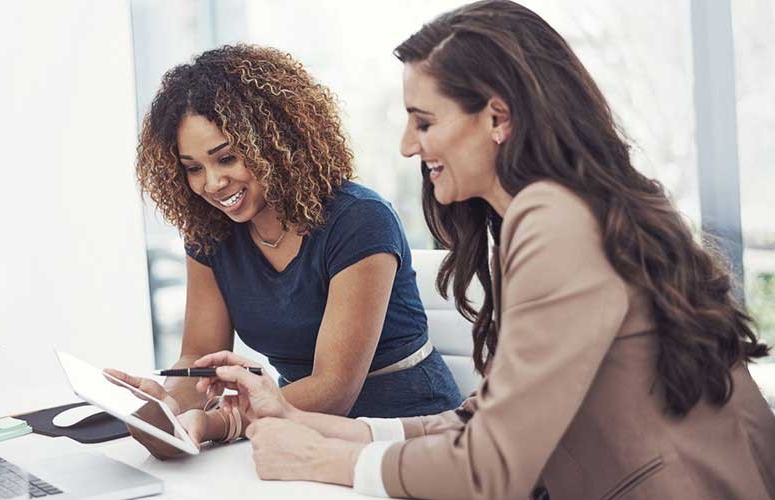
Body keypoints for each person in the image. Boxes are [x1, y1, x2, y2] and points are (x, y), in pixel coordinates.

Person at [192, 1, 775, 498]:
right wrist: (302, 421)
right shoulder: (559, 211)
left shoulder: (554, 223)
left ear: (497, 117)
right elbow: (479, 421)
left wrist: (326, 461)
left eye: (424, 123)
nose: (407, 146)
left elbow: (491, 467)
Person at [107, 44, 462, 459]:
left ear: (275, 145)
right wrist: (171, 411)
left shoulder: (360, 220)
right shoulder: (209, 232)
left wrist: (217, 423)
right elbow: (197, 357)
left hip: (406, 434)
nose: (213, 183)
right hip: (290, 430)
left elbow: (334, 389)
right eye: (193, 168)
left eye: (227, 158)